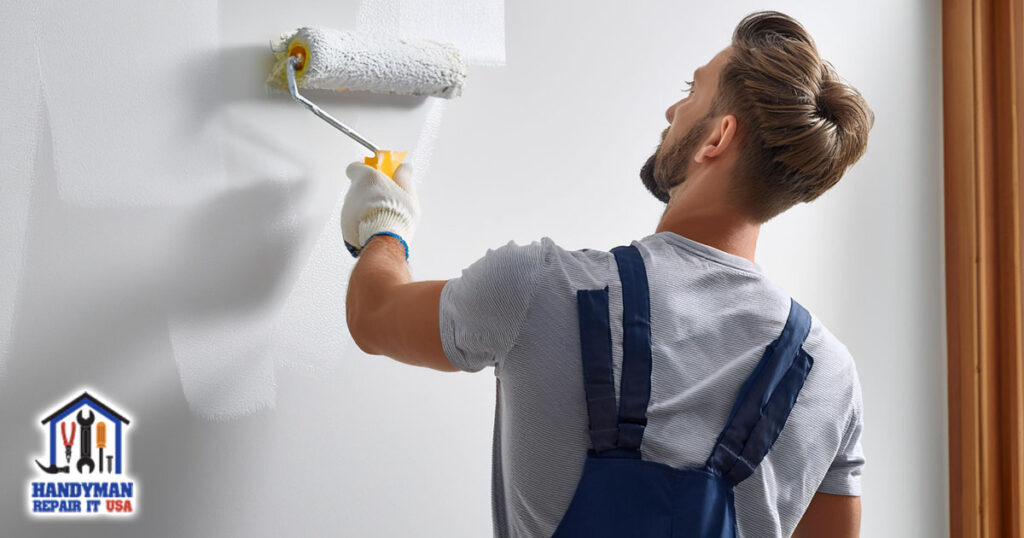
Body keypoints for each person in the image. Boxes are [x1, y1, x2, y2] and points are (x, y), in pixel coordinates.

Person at [342, 10, 873, 538]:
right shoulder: (828, 375)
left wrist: (385, 227)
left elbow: (374, 316)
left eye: (692, 92)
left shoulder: (542, 287)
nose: (672, 109)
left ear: (717, 139)